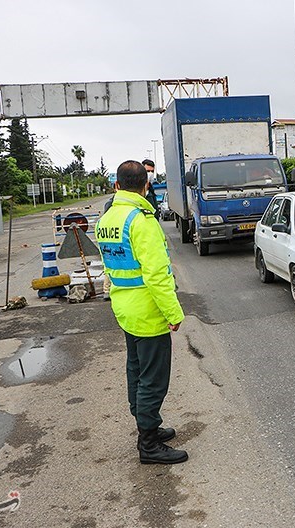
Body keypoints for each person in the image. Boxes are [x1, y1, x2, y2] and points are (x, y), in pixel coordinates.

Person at [95, 160, 187, 465]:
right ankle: (148, 443)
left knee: (136, 370)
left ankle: (147, 425)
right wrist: (173, 312)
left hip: (124, 308)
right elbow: (157, 275)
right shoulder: (142, 221)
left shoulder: (107, 219)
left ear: (117, 185)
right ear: (146, 185)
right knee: (153, 379)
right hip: (148, 313)